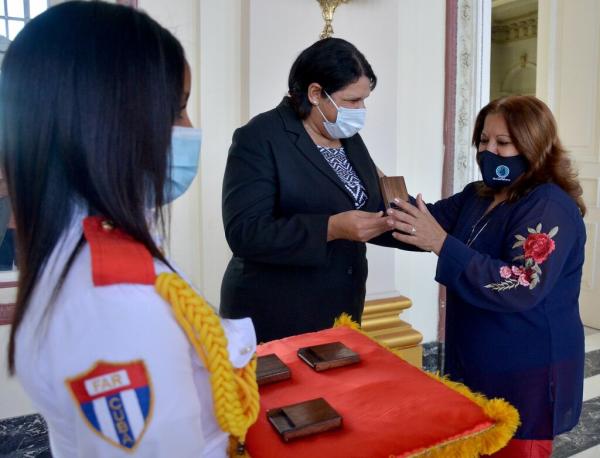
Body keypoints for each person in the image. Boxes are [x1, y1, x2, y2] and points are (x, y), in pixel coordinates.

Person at [2, 3, 258, 457]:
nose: (190, 129)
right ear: (109, 123)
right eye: (178, 110)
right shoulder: (113, 304)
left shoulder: (100, 250)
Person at [388, 95, 586, 457]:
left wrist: (442, 244)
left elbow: (522, 282)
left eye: (503, 142)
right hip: (477, 358)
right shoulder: (478, 196)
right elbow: (426, 223)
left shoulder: (548, 205)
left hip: (526, 367)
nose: (489, 150)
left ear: (533, 145)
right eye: (483, 140)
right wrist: (368, 218)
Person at [220, 38, 412, 343]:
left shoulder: (346, 136)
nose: (361, 110)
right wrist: (330, 228)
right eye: (352, 101)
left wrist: (435, 228)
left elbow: (372, 205)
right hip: (276, 312)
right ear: (315, 93)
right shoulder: (259, 137)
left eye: (364, 100)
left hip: (340, 308)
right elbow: (245, 232)